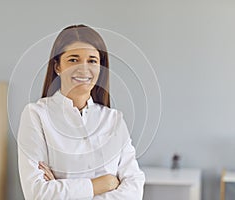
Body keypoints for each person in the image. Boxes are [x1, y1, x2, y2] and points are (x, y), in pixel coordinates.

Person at [17, 24, 145, 200]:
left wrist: (63, 190)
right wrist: (103, 184)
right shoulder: (36, 115)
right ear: (57, 67)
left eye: (92, 60)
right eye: (73, 60)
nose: (84, 69)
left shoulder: (114, 119)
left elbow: (134, 190)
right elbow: (37, 193)